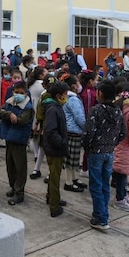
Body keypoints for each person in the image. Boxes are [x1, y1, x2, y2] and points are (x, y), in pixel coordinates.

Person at [82, 80, 125, 231]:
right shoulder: (118, 111)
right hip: (109, 152)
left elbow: (89, 132)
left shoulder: (96, 110)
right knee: (105, 184)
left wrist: (87, 147)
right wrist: (112, 145)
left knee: (95, 185)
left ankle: (101, 218)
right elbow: (122, 133)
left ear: (100, 93)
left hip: (96, 152)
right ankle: (102, 212)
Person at [0, 81, 35, 205]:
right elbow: (0, 112)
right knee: (10, 165)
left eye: (21, 93)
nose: (18, 95)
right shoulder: (10, 103)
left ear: (26, 94)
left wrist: (9, 116)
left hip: (19, 140)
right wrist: (9, 114)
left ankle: (19, 192)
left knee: (20, 168)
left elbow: (21, 121)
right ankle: (13, 187)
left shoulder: (28, 107)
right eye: (16, 92)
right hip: (9, 138)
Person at [41, 81, 71, 218]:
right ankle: (54, 206)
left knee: (54, 174)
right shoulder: (53, 109)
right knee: (55, 177)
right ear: (59, 96)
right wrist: (62, 143)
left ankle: (52, 197)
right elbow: (51, 131)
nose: (66, 97)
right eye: (65, 94)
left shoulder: (56, 107)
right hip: (55, 148)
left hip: (54, 147)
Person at [61, 76, 87, 192]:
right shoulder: (73, 99)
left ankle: (74, 178)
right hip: (73, 131)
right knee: (71, 160)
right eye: (78, 83)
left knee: (72, 159)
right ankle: (68, 182)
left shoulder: (68, 97)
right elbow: (79, 117)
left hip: (70, 131)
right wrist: (86, 127)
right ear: (73, 86)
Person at [27, 68, 48, 179]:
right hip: (40, 114)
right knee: (41, 138)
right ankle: (38, 156)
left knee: (34, 136)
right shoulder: (41, 86)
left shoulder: (30, 84)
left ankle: (36, 155)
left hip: (32, 112)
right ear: (41, 75)